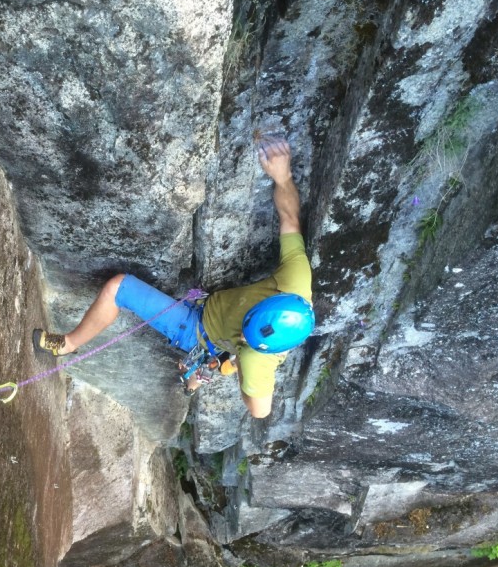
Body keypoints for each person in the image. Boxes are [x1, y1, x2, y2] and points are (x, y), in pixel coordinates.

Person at [33, 137, 314, 419]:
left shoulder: (257, 360)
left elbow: (260, 411)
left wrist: (244, 365)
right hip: (212, 324)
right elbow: (290, 218)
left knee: (119, 287)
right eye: (248, 321)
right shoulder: (295, 280)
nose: (243, 331)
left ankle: (67, 345)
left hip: (194, 328)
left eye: (247, 337)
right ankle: (199, 377)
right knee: (206, 367)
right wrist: (284, 177)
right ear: (274, 299)